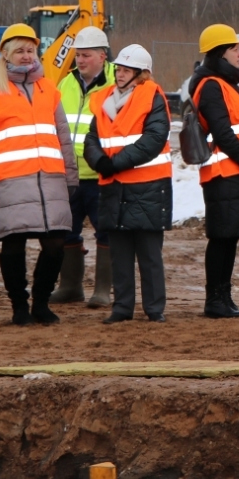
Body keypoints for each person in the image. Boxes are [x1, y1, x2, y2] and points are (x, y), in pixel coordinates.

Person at [0, 24, 78, 325]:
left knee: (55, 245)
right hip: (9, 182)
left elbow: (63, 136)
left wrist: (70, 176)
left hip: (50, 181)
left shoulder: (49, 89)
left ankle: (41, 303)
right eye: (20, 50)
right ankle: (19, 307)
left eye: (30, 50)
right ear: (6, 54)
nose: (27, 56)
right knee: (13, 246)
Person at [85, 44, 172, 323]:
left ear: (141, 73)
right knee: (119, 254)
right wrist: (99, 161)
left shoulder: (152, 96)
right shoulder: (104, 100)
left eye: (126, 70)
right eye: (118, 69)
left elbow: (154, 139)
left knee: (149, 253)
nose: (119, 74)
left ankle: (154, 309)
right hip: (114, 186)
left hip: (147, 185)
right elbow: (91, 138)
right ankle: (122, 308)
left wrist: (115, 162)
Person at [187, 24, 239, 318]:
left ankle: (223, 297)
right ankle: (216, 300)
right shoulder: (211, 86)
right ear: (221, 52)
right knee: (222, 238)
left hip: (232, 173)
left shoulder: (222, 83)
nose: (238, 53)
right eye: (234, 49)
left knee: (227, 237)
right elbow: (224, 134)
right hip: (225, 174)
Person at [51, 26, 116, 309]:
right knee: (67, 230)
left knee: (106, 231)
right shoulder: (65, 84)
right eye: (78, 55)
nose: (80, 60)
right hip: (69, 175)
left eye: (86, 55)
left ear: (102, 56)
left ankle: (102, 289)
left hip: (101, 174)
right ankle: (70, 286)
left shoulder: (118, 84)